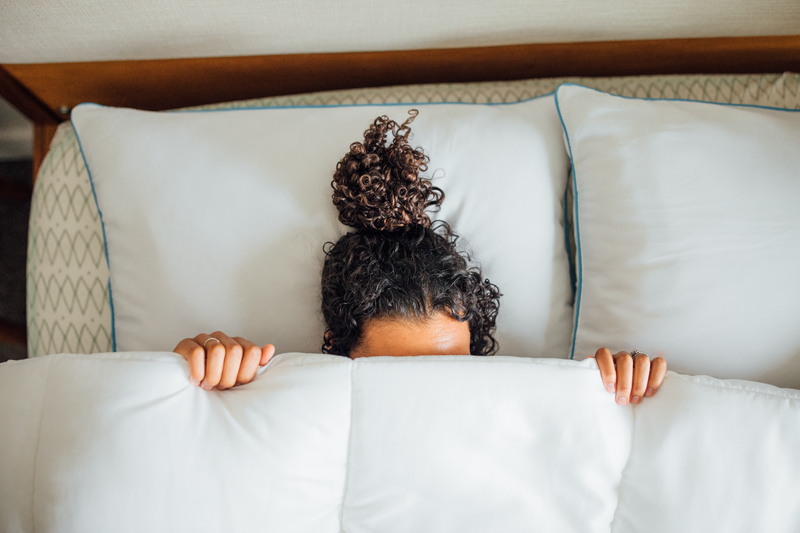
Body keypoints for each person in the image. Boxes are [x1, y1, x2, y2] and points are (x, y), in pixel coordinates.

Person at [173, 110, 666, 406]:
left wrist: (616, 395)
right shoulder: (295, 396)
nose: (434, 394)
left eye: (454, 367)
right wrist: (199, 371)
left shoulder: (518, 398)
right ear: (336, 351)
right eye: (396, 374)